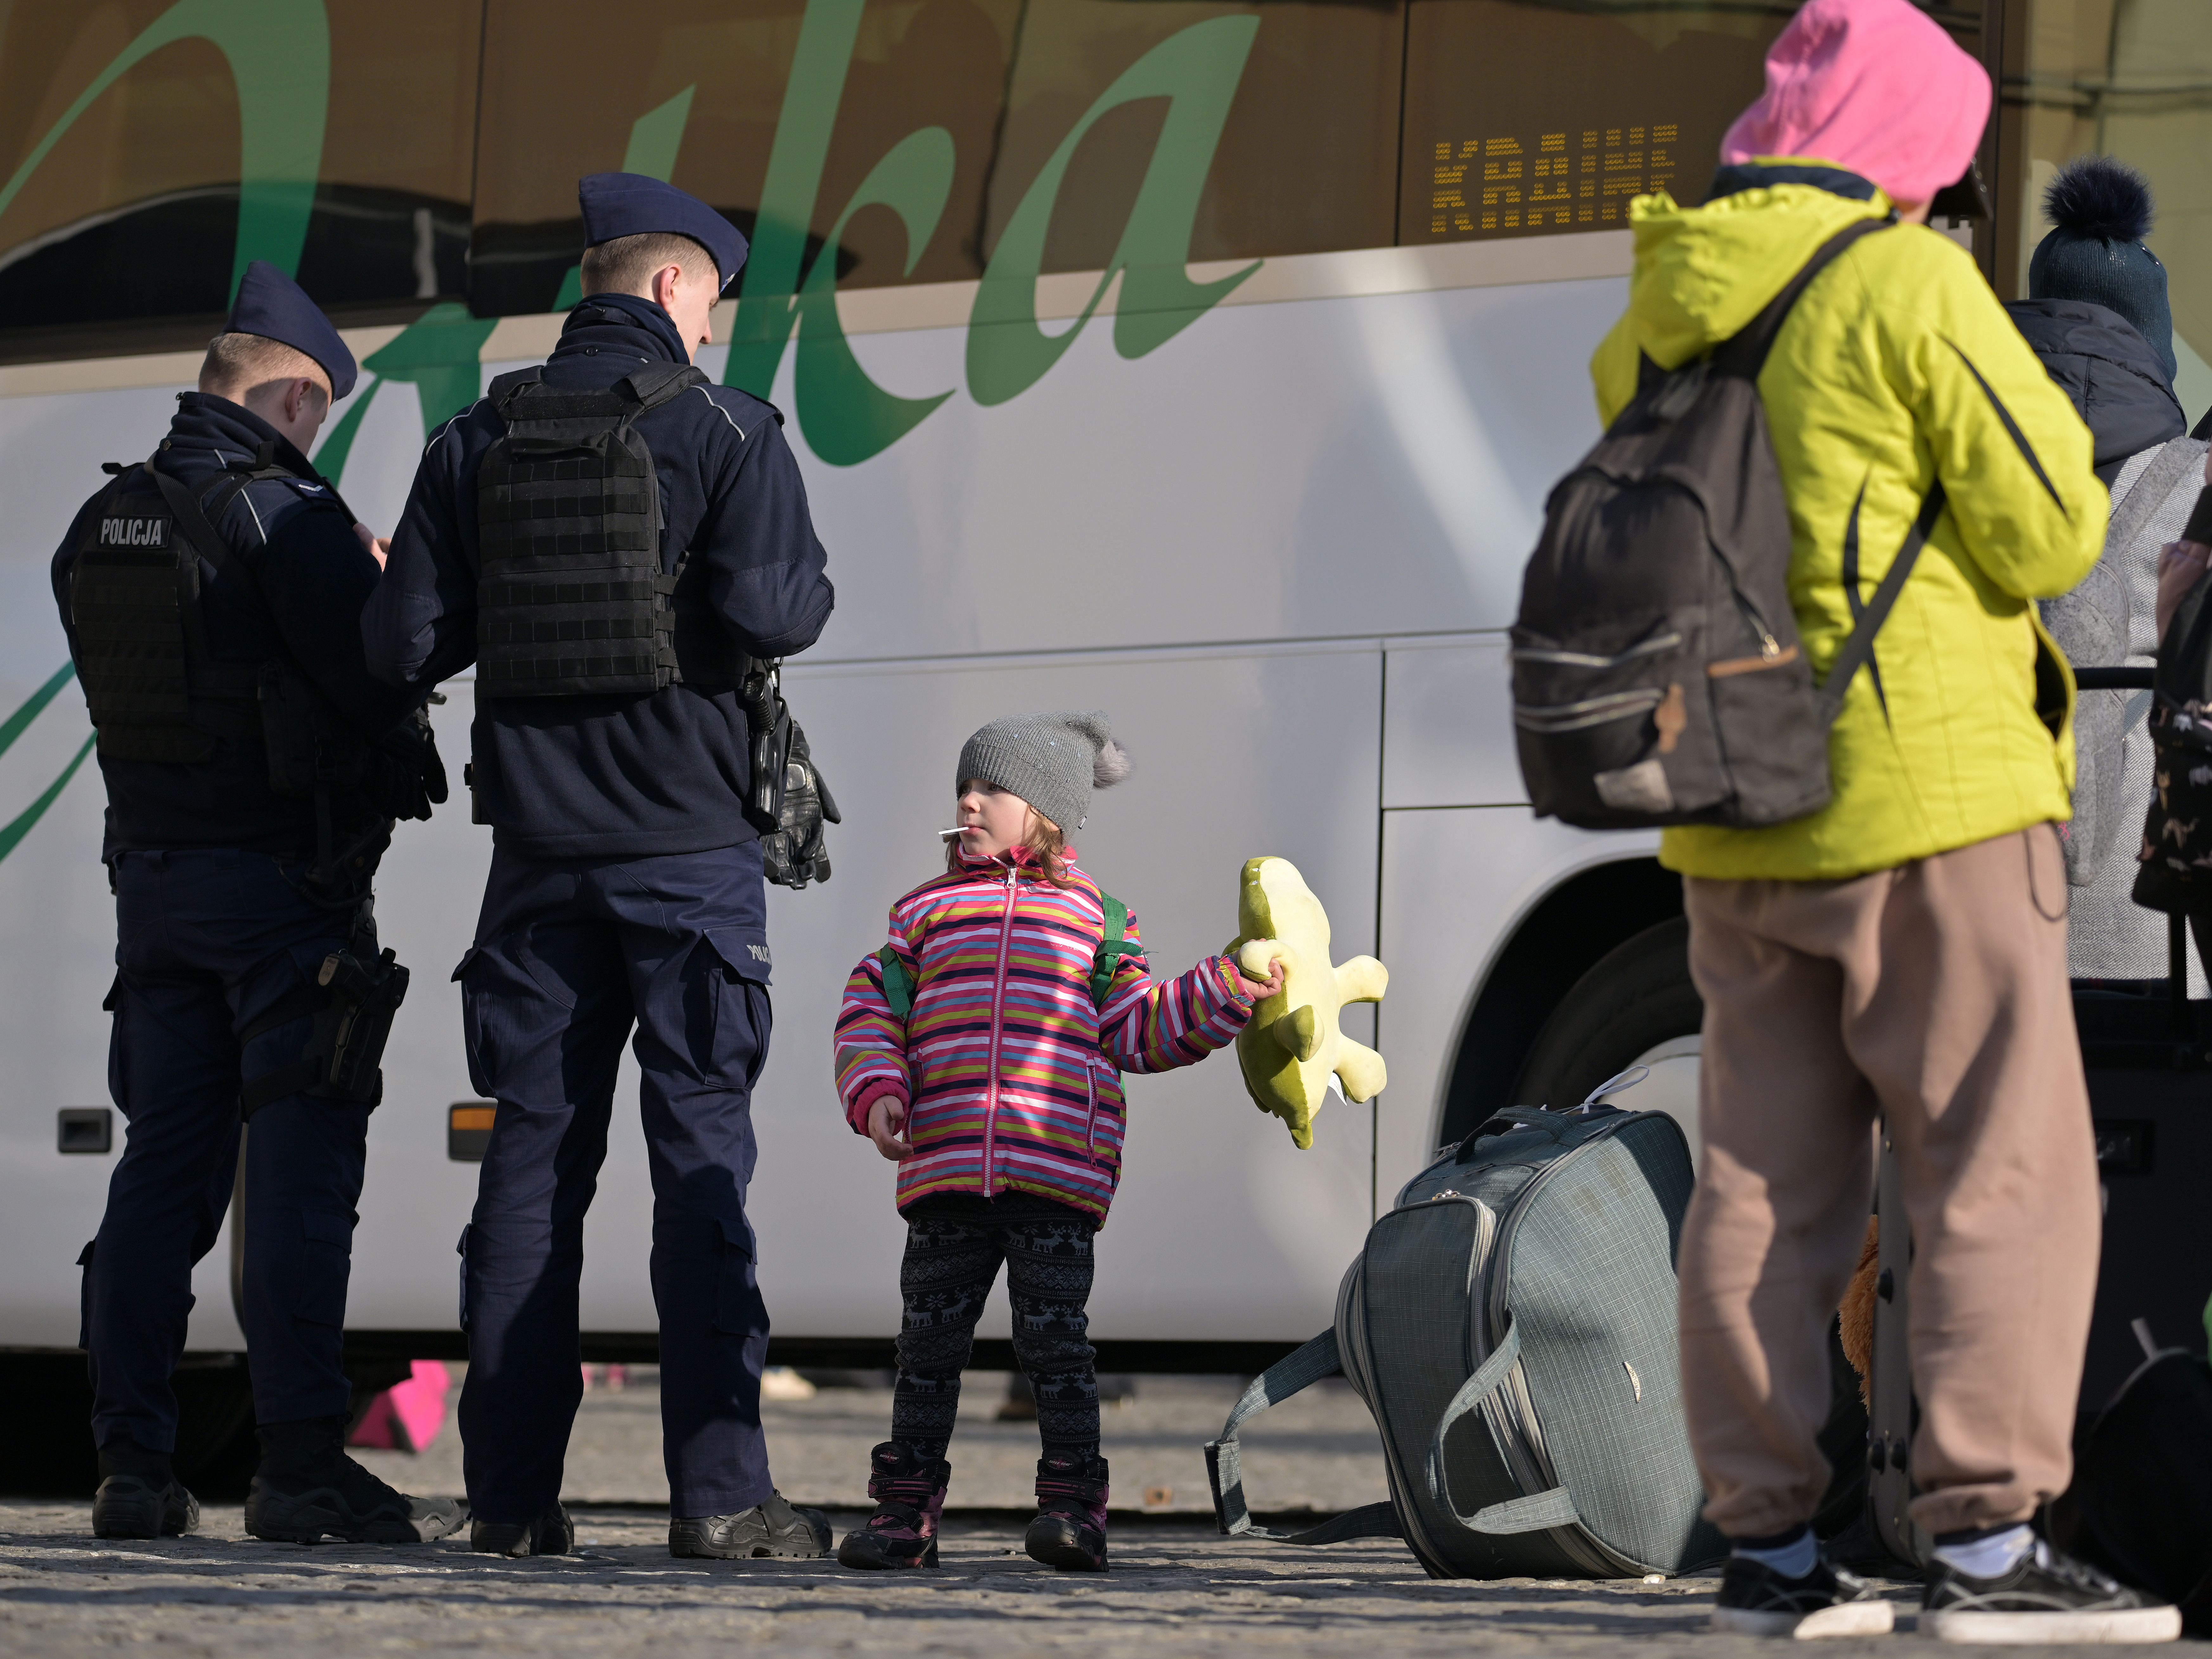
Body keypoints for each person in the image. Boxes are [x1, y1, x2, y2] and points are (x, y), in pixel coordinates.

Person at [1587, 0, 2179, 1641]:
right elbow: (2053, 518)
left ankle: (1768, 1545)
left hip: (1730, 803)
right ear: (1913, 147)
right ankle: (1985, 1541)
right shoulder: (1909, 283)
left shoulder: (1662, 301)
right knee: (1996, 1163)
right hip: (1922, 799)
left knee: (1761, 1185)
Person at [360, 173, 836, 1560]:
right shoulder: (730, 431)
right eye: (715, 306)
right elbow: (772, 611)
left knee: (527, 1176)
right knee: (700, 1175)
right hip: (688, 861)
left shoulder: (473, 438)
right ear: (678, 292)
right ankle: (720, 1496)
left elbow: (400, 651)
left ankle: (507, 1500)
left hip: (538, 867)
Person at [54, 262, 457, 1543]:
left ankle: (130, 1461)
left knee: (159, 1174)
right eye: (321, 413)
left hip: (155, 894)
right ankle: (295, 1463)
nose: (319, 435)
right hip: (285, 894)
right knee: (296, 1170)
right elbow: (372, 677)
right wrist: (387, 581)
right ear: (289, 394)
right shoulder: (279, 514)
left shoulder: (100, 521)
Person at [829, 711, 1280, 1573]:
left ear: (1046, 811)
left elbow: (1139, 1029)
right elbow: (869, 1011)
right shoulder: (920, 914)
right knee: (926, 1348)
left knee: (1056, 1346)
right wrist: (877, 1088)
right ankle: (904, 1513)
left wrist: (1226, 986)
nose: (968, 800)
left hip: (1055, 1175)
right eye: (964, 785)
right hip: (947, 1173)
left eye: (990, 788)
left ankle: (1075, 1507)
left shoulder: (1098, 920)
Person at [2005, 156, 2205, 978]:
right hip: (2162, 936)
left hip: (1986, 934)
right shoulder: (2200, 489)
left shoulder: (1948, 474)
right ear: (2154, 349)